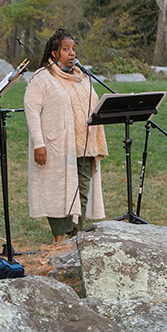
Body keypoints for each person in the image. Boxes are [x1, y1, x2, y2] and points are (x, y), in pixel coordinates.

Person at [24, 28, 109, 244]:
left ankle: (75, 237)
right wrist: (39, 144)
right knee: (59, 190)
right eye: (65, 49)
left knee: (81, 191)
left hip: (84, 144)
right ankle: (59, 238)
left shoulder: (82, 77)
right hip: (57, 146)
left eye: (73, 49)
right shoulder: (43, 78)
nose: (71, 53)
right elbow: (32, 110)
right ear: (54, 53)